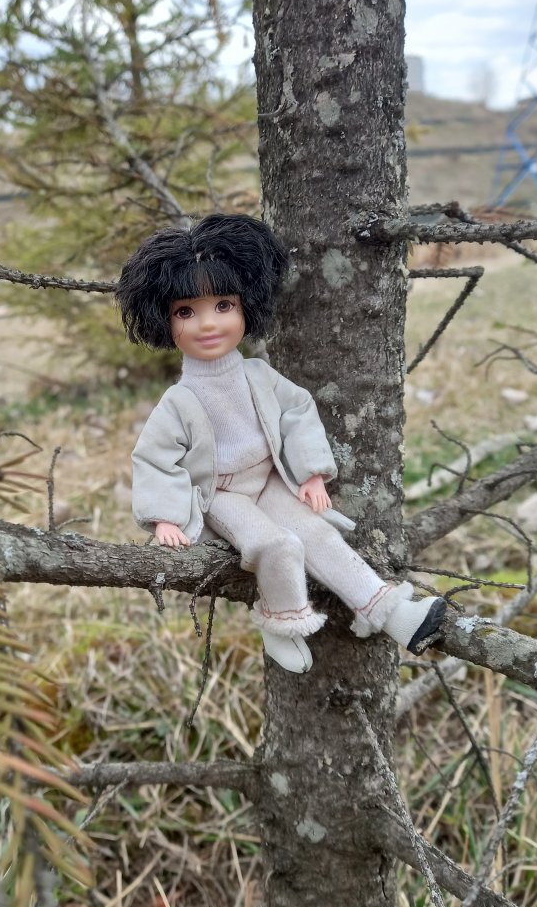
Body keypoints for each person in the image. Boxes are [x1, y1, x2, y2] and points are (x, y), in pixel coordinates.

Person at [116, 213, 446, 673]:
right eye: (186, 312)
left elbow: (297, 411)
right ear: (165, 322)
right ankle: (280, 620)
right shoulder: (180, 400)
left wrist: (311, 471)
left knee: (316, 533)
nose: (207, 324)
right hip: (222, 494)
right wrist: (165, 517)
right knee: (277, 545)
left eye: (224, 305)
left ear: (245, 306)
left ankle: (389, 612)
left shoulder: (256, 374)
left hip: (269, 477)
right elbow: (154, 458)